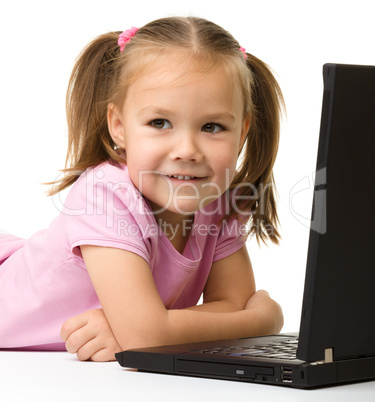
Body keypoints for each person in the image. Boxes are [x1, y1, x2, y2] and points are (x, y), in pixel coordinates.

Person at [0, 16, 284, 362]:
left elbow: (231, 303)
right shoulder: (104, 196)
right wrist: (261, 322)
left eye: (212, 126)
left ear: (242, 133)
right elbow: (150, 338)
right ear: (119, 126)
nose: (187, 150)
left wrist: (144, 327)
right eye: (159, 123)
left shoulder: (218, 203)